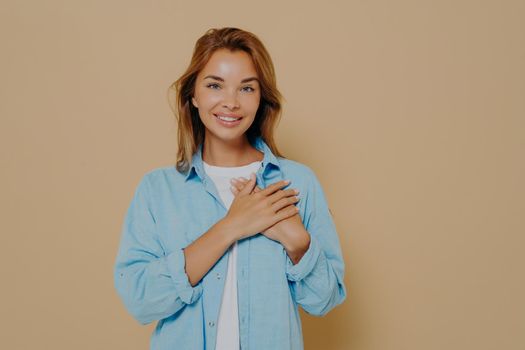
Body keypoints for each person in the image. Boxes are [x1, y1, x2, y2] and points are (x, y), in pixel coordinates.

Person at [113, 27, 347, 350]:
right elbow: (140, 299)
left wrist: (298, 243)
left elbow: (325, 301)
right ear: (193, 94)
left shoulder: (298, 184)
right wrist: (231, 226)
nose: (231, 102)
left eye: (246, 88)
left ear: (260, 97)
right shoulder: (157, 191)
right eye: (214, 85)